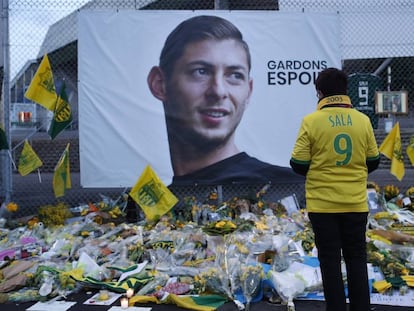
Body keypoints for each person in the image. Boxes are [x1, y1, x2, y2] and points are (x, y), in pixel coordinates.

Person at [147, 15, 302, 186]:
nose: (218, 91)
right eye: (200, 71)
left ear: (248, 91)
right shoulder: (155, 205)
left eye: (235, 75)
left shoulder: (289, 188)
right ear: (159, 84)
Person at [290, 68, 380, 311]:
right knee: (357, 259)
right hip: (355, 203)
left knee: (329, 262)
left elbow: (298, 164)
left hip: (323, 205)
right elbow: (373, 161)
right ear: (345, 91)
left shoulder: (311, 121)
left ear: (319, 92)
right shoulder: (362, 120)